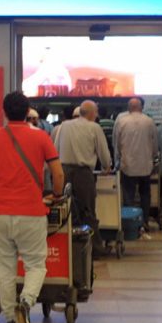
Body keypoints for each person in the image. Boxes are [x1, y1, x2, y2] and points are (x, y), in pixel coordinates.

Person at [0, 91, 64, 323]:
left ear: (4, 112)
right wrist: (56, 195)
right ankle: (25, 302)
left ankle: (9, 321)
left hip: (1, 212)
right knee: (35, 264)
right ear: (27, 112)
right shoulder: (41, 137)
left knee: (5, 267)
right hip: (32, 212)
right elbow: (58, 173)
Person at [53, 100, 112, 255]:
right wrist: (107, 166)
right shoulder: (94, 127)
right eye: (96, 112)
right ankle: (95, 249)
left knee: (67, 211)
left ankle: (69, 248)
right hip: (83, 174)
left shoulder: (64, 126)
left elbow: (55, 149)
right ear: (92, 113)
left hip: (64, 172)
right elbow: (103, 152)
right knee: (88, 211)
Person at [113, 97, 158, 234]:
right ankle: (144, 221)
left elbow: (117, 144)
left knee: (128, 196)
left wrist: (118, 159)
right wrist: (153, 157)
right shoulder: (149, 122)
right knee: (145, 195)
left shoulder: (121, 121)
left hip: (128, 165)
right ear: (141, 107)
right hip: (145, 165)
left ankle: (130, 224)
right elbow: (155, 144)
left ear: (129, 108)